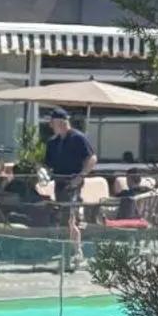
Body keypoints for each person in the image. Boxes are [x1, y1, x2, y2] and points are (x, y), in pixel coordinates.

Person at [43, 108, 96, 260]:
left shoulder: (78, 138)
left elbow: (91, 159)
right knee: (62, 219)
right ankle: (66, 250)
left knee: (70, 219)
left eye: (52, 122)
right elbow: (47, 164)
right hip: (59, 184)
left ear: (61, 122)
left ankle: (76, 251)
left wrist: (80, 176)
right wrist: (43, 172)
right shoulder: (53, 142)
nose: (50, 125)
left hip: (73, 184)